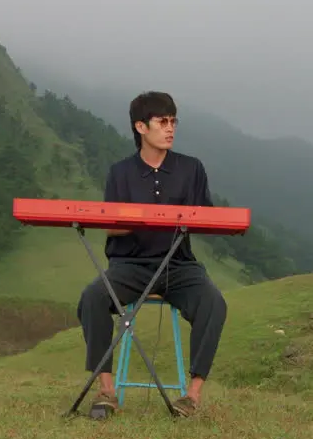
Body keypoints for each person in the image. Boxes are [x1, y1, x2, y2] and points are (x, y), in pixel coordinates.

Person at [77, 91, 228, 419]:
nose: (170, 128)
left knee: (214, 303)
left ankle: (192, 397)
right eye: (163, 122)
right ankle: (106, 391)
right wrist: (138, 218)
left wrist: (186, 218)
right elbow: (111, 229)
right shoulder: (121, 172)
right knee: (92, 297)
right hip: (129, 265)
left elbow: (206, 217)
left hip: (178, 265)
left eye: (174, 121)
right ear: (141, 127)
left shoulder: (191, 169)